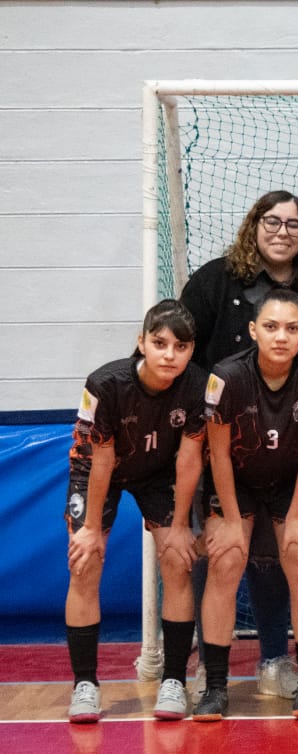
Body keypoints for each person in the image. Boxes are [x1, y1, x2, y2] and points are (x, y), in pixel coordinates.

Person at [179, 190, 298, 700]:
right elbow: (180, 345)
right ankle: (211, 675)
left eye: (294, 224)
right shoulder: (215, 281)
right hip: (228, 447)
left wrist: (296, 515)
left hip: (290, 457)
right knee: (221, 553)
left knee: (292, 554)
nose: (282, 231)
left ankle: (286, 666)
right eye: (272, 221)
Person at [194, 289, 298, 721]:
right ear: (254, 330)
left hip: (290, 482)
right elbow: (217, 454)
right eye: (272, 327)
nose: (281, 336)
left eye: (292, 329)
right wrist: (233, 521)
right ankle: (215, 685)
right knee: (226, 557)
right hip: (236, 481)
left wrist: (296, 517)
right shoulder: (226, 376)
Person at [64, 301, 207, 722]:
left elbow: (189, 459)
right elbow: (102, 460)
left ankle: (175, 680)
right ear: (141, 342)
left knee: (177, 560)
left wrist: (180, 526)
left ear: (191, 350)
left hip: (159, 472)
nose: (169, 354)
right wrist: (91, 527)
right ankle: (84, 685)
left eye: (180, 346)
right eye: (159, 343)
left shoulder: (199, 386)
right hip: (96, 469)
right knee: (85, 561)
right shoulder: (105, 384)